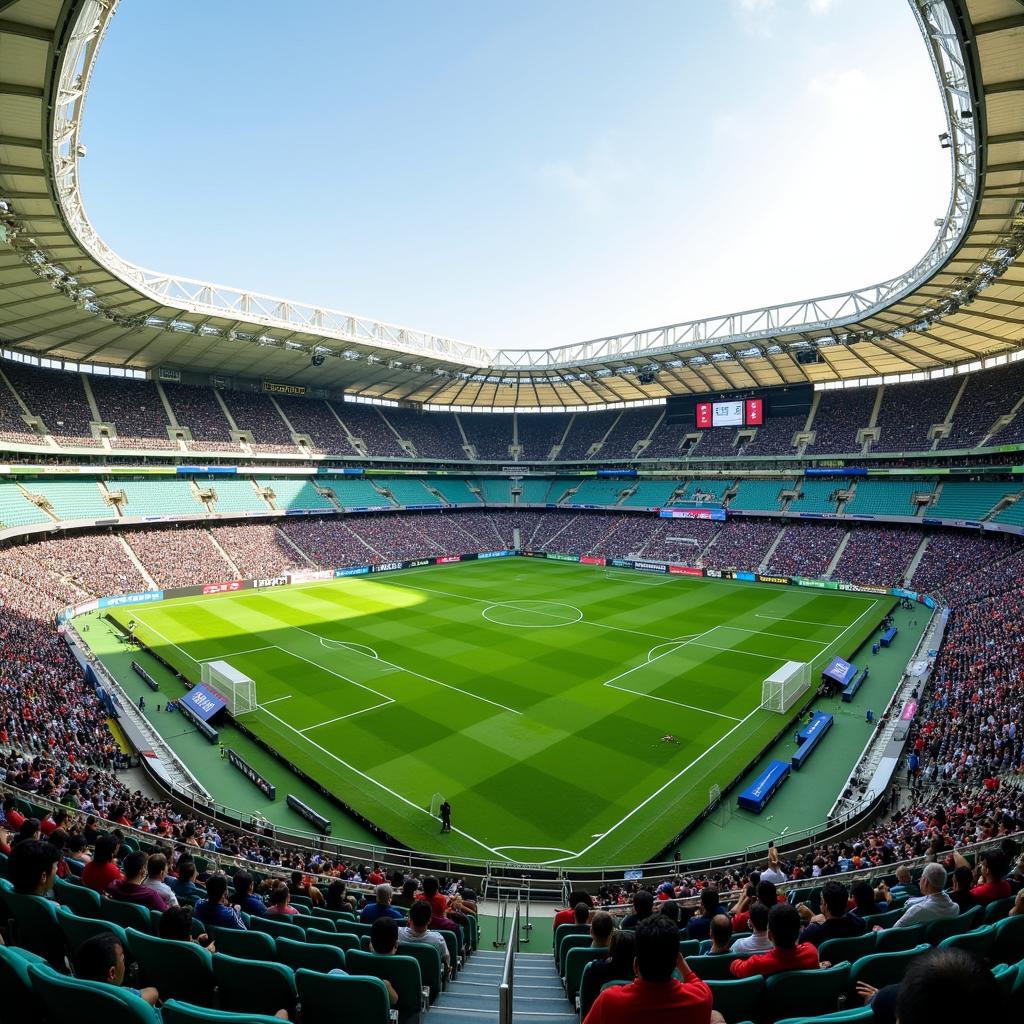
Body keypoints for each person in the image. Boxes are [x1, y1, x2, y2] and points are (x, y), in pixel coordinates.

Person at [583, 915, 718, 1024]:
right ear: (676, 962)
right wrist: (681, 962)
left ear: (635, 965)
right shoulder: (702, 997)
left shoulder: (609, 1001)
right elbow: (695, 982)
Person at [729, 903, 819, 978]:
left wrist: (734, 962)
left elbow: (734, 966)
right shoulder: (812, 952)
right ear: (799, 931)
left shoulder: (757, 964)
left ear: (769, 935)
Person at [72, 933, 159, 1007]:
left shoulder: (71, 995)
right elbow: (153, 993)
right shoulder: (124, 997)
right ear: (112, 973)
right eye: (123, 960)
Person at [797, 881, 867, 946]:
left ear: (826, 906)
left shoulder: (812, 932)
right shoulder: (859, 922)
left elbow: (800, 946)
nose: (820, 904)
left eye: (821, 901)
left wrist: (810, 917)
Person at [891, 863, 959, 928]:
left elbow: (893, 931)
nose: (919, 880)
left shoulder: (917, 910)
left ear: (925, 881)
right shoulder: (955, 908)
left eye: (921, 878)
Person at [398, 899, 451, 970]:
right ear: (429, 920)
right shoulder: (438, 939)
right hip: (429, 980)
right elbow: (447, 962)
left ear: (409, 918)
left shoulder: (397, 933)